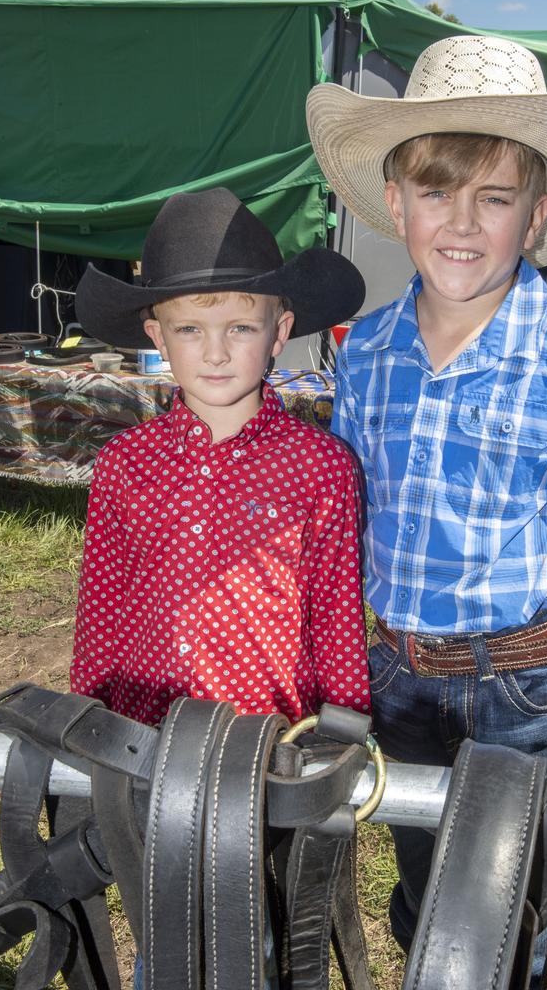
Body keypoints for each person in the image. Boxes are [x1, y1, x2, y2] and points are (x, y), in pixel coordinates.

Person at [306, 34, 547, 965]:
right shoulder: (369, 350)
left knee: (531, 911)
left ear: (536, 215)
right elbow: (350, 520)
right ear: (395, 203)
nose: (462, 222)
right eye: (436, 192)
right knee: (430, 890)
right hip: (400, 680)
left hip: (534, 687)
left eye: (494, 198)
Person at [70, 186, 371, 729]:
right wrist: (90, 719)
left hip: (267, 748)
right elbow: (101, 609)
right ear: (157, 337)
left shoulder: (321, 466)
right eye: (190, 330)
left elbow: (336, 614)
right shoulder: (124, 462)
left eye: (240, 328)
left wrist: (341, 733)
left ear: (277, 332)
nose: (215, 352)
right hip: (144, 739)